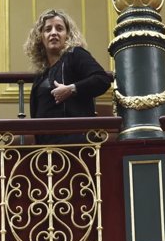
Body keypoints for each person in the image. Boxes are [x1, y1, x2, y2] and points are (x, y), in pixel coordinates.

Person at [23, 9, 111, 144]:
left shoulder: (75, 54)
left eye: (59, 28)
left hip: (75, 143)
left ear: (67, 35)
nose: (53, 33)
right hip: (46, 147)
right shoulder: (42, 73)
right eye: (48, 29)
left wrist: (72, 89)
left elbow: (102, 80)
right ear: (41, 37)